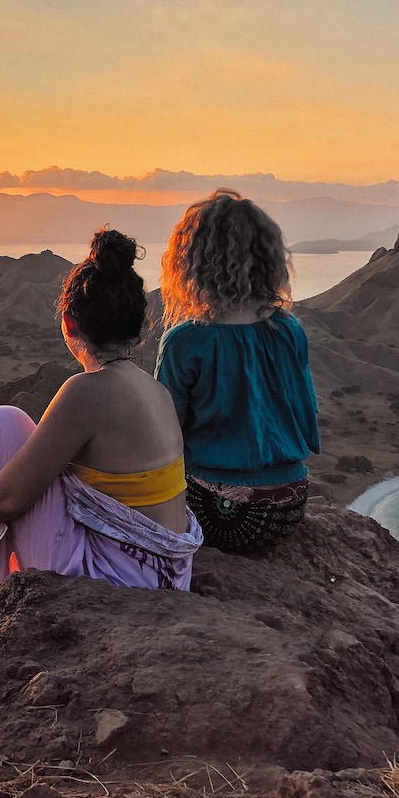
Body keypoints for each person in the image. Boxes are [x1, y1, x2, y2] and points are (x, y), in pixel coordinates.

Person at [0, 229, 203, 592]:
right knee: (18, 460)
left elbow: (7, 498)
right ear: (137, 329)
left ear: (68, 323)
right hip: (164, 573)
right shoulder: (154, 389)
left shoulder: (87, 391)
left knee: (0, 423)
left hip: (118, 579)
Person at [155, 189, 321, 553]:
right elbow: (307, 417)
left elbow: (166, 437)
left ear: (191, 262)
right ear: (268, 258)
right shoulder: (289, 330)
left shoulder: (184, 342)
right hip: (288, 502)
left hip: (217, 509)